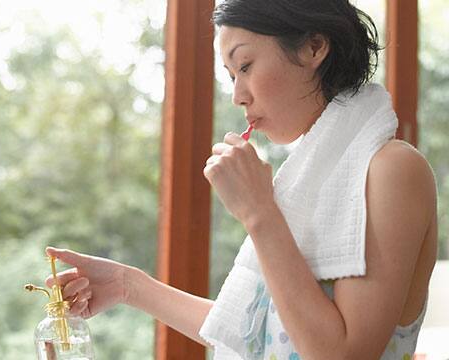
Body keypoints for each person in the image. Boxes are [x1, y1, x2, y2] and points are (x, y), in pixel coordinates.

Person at [44, 0, 438, 358]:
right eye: (231, 75)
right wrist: (128, 285)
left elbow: (340, 354)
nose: (237, 96)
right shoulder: (306, 180)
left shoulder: (393, 170)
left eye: (245, 66)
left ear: (314, 48)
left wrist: (260, 212)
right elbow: (258, 333)